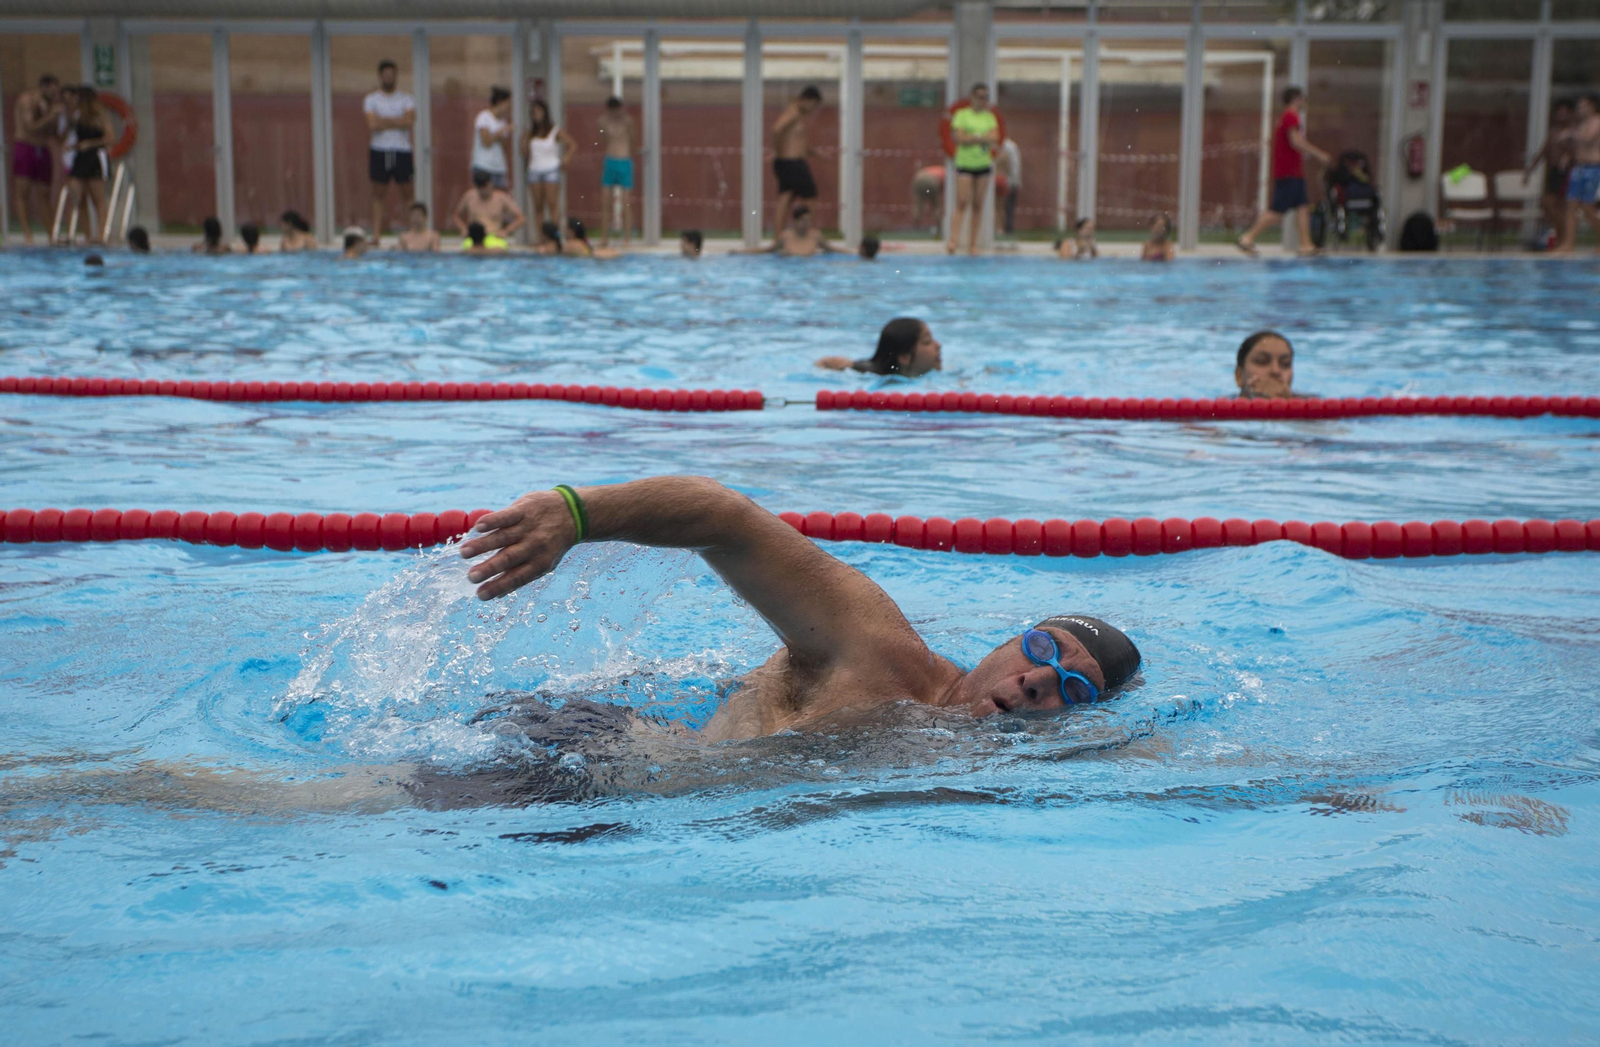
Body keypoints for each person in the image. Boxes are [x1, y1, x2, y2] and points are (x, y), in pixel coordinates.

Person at [458, 476, 1140, 742]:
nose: (1039, 679)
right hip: (575, 751)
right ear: (1009, 641)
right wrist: (577, 515)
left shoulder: (973, 759)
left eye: (1072, 689)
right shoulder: (878, 649)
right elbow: (725, 518)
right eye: (1044, 650)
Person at [1237, 86, 1330, 256]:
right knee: (1277, 212)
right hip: (1289, 172)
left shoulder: (1285, 117)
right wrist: (1319, 154)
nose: (1304, 103)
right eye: (1303, 100)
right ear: (1296, 99)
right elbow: (1296, 142)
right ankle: (1247, 238)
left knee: (1302, 207)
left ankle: (1306, 245)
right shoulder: (1290, 116)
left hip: (1292, 171)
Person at [363, 60, 416, 246]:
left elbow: (409, 122)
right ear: (380, 77)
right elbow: (371, 124)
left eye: (392, 75)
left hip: (402, 150)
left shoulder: (406, 99)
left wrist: (383, 121)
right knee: (378, 194)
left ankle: (412, 234)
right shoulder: (372, 99)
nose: (388, 78)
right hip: (380, 150)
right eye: (385, 75)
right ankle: (376, 235)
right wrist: (396, 121)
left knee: (407, 194)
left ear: (396, 76)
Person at [947, 83, 1000, 255]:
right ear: (971, 97)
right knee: (962, 202)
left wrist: (973, 137)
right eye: (979, 96)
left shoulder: (989, 117)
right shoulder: (961, 115)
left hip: (983, 164)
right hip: (965, 163)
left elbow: (995, 137)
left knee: (978, 204)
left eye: (985, 97)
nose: (981, 100)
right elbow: (960, 137)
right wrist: (981, 137)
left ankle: (973, 244)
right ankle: (953, 241)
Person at [10, 73, 62, 245]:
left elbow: (54, 134)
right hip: (25, 147)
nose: (55, 95)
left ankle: (51, 234)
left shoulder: (49, 105)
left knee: (45, 193)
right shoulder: (27, 100)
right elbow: (30, 127)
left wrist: (58, 118)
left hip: (43, 149)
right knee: (23, 191)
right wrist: (50, 115)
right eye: (52, 91)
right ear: (44, 87)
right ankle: (27, 234)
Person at [771, 85, 823, 240]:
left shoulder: (796, 114)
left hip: (787, 163)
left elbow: (797, 143)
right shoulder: (793, 112)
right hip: (792, 163)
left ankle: (778, 238)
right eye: (813, 105)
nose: (813, 110)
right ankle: (808, 237)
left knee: (785, 198)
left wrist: (815, 153)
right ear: (806, 100)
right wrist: (778, 151)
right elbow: (776, 130)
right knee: (810, 199)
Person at [815, 317, 942, 376]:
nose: (938, 345)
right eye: (927, 341)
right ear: (905, 357)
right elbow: (822, 363)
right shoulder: (867, 373)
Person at [63, 86, 110, 245]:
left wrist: (90, 143)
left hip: (95, 157)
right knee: (78, 197)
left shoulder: (99, 117)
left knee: (98, 199)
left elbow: (110, 138)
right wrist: (74, 147)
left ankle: (100, 235)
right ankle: (87, 235)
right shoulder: (76, 117)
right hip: (80, 158)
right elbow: (66, 135)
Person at [1554, 93, 1600, 255]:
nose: (1579, 109)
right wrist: (1568, 156)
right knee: (1570, 206)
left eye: (1583, 105)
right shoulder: (1581, 124)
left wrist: (1570, 134)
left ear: (1592, 106)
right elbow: (1580, 146)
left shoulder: (1597, 122)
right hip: (1579, 168)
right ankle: (1568, 244)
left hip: (1593, 169)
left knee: (1588, 208)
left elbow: (1588, 139)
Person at [525, 100, 575, 242]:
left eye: (539, 112)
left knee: (552, 206)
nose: (537, 115)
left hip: (551, 169)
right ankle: (541, 238)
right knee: (538, 207)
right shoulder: (530, 132)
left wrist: (565, 160)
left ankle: (556, 237)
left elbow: (572, 144)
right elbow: (524, 151)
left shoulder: (554, 130)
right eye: (534, 112)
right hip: (534, 170)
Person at [1526, 99, 1574, 244]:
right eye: (1559, 114)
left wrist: (1568, 156)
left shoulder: (1572, 133)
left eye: (1564, 114)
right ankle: (1561, 235)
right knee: (1548, 204)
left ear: (1570, 115)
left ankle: (1564, 236)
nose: (1561, 117)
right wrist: (1530, 169)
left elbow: (1577, 152)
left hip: (1566, 172)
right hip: (1554, 172)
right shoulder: (1553, 132)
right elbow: (1544, 151)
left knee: (1557, 204)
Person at [597, 96, 636, 247]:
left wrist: (628, 156)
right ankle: (604, 237)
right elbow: (604, 140)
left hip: (624, 161)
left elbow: (633, 140)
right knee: (605, 202)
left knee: (626, 203)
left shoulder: (628, 121)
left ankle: (627, 238)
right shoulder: (602, 121)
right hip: (610, 161)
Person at [452, 169, 524, 245]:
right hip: (474, 239)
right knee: (468, 250)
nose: (483, 190)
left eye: (485, 186)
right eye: (480, 187)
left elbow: (521, 218)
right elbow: (455, 215)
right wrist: (464, 229)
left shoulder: (501, 198)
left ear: (491, 184)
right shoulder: (469, 197)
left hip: (494, 237)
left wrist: (506, 231)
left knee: (498, 250)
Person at [1233, 330, 1312, 400]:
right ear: (1239, 376)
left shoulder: (1310, 404)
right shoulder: (1223, 407)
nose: (1275, 371)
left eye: (1285, 364)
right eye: (1262, 362)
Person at [747, 204, 833, 257]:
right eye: (803, 220)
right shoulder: (786, 236)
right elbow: (768, 250)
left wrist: (846, 251)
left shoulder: (816, 236)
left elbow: (833, 249)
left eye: (808, 220)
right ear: (795, 221)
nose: (806, 223)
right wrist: (742, 252)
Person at [470, 87, 513, 190]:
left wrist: (504, 134)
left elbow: (503, 146)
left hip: (499, 166)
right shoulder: (484, 117)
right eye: (507, 103)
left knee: (499, 199)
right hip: (484, 166)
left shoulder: (503, 121)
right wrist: (500, 132)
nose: (509, 107)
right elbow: (486, 141)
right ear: (499, 102)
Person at [996, 136, 1022, 236]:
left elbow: (1014, 166)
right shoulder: (1007, 147)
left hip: (1003, 181)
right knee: (1000, 207)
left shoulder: (1009, 147)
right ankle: (1000, 228)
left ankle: (1003, 228)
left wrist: (1013, 182)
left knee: (1002, 206)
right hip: (1001, 181)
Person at [911, 165, 943, 231]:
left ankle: (915, 227)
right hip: (931, 181)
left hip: (918, 177)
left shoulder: (936, 169)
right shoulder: (946, 173)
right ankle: (938, 228)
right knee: (936, 206)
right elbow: (942, 189)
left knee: (918, 205)